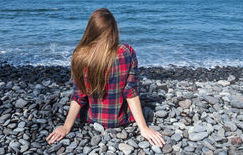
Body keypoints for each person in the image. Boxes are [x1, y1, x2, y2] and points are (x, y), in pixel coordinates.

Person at [46, 8, 165, 147]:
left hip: (92, 118)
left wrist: (66, 127)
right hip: (121, 119)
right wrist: (143, 128)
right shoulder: (127, 52)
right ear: (114, 30)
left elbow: (79, 96)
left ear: (91, 30)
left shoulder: (80, 56)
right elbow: (130, 92)